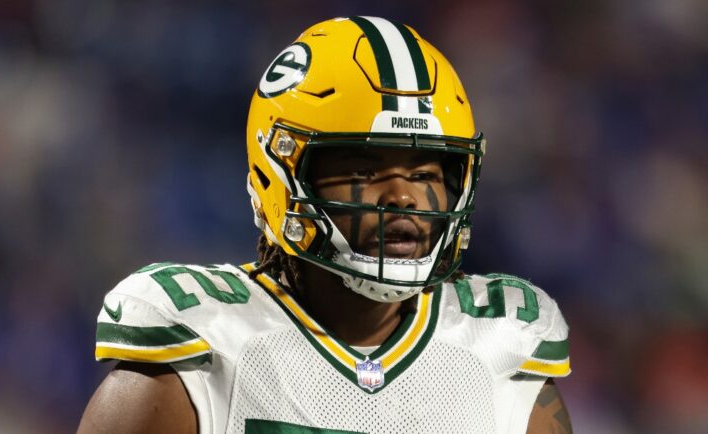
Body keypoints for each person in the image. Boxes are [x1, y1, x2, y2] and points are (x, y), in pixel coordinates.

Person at [78, 16, 572, 434]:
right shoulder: (197, 355)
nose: (403, 196)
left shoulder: (501, 350)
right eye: (363, 171)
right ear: (281, 175)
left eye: (425, 172)